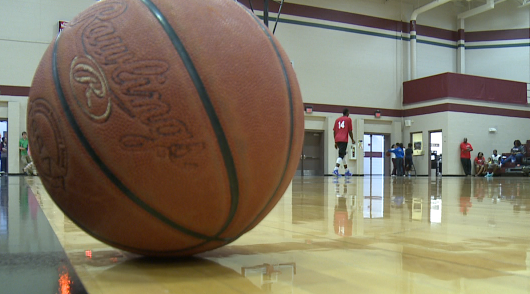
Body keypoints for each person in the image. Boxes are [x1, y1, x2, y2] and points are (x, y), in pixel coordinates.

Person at [333, 108, 355, 176]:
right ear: (347, 113)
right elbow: (350, 131)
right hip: (343, 139)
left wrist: (335, 141)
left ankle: (346, 171)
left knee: (343, 155)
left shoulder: (337, 120)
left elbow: (334, 131)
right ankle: (335, 170)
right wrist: (352, 139)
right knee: (341, 155)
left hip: (337, 138)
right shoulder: (348, 119)